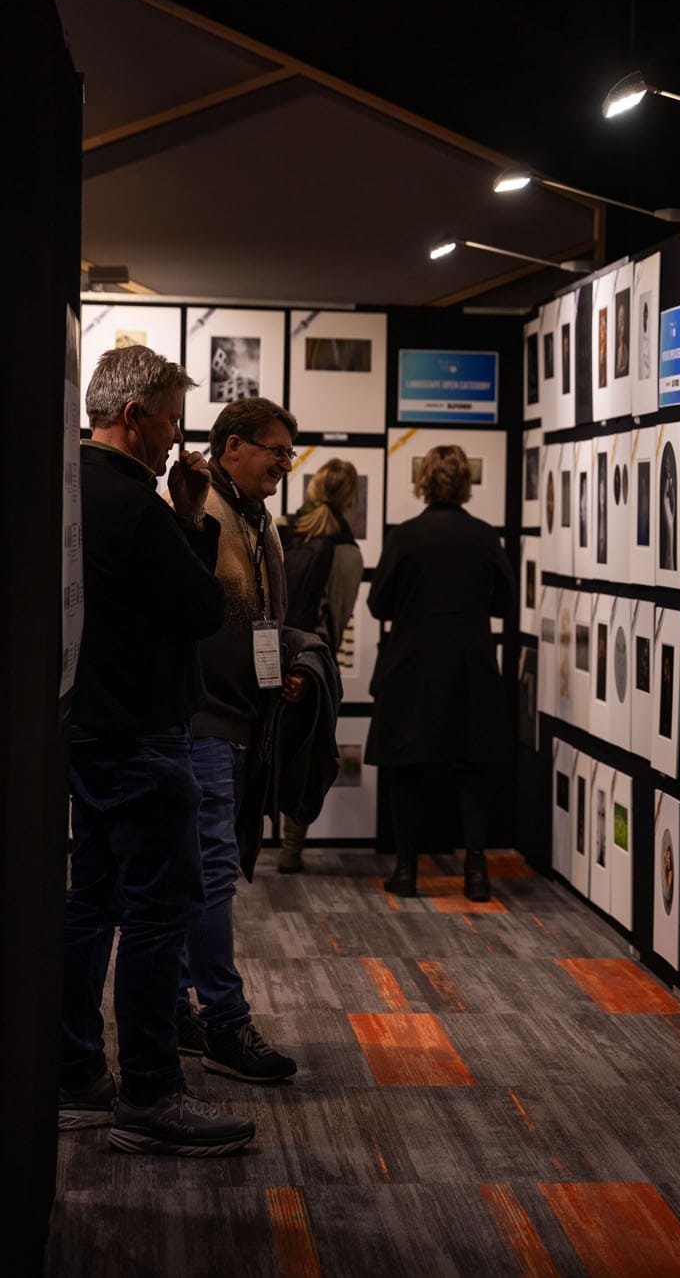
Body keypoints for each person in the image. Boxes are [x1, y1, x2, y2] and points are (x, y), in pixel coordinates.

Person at [59, 344, 255, 1157]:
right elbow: (204, 608)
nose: (179, 439)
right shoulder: (137, 503)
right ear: (133, 416)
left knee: (90, 906)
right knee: (157, 913)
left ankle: (72, 1076)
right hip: (143, 736)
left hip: (88, 730)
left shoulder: (69, 485)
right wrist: (194, 515)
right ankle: (149, 1093)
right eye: (171, 419)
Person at [174, 398, 301, 1083]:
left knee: (198, 873)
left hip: (233, 720)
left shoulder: (256, 520)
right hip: (204, 721)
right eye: (275, 449)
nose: (286, 462)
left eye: (289, 451)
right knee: (210, 873)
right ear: (231, 449)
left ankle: (176, 1008)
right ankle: (225, 1022)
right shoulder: (202, 516)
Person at [364, 444, 515, 901]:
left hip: (412, 665)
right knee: (472, 768)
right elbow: (505, 604)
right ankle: (475, 872)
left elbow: (378, 604)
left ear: (424, 481)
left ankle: (407, 870)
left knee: (406, 768)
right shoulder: (486, 536)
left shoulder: (405, 536)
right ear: (465, 483)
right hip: (470, 665)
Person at [276, 458, 364, 873]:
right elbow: (341, 617)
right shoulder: (348, 552)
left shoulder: (278, 528)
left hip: (268, 651)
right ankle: (291, 852)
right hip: (314, 662)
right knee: (306, 752)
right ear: (350, 498)